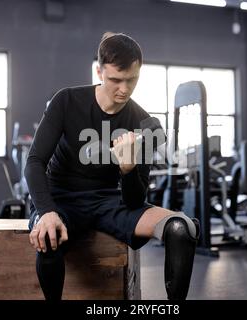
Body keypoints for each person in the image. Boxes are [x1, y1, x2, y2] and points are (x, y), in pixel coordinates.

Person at [25, 32, 199, 301]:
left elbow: (134, 200)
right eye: (115, 80)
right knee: (48, 238)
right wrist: (46, 211)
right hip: (61, 198)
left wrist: (128, 169)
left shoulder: (145, 125)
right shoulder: (67, 101)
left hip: (108, 201)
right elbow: (35, 161)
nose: (124, 89)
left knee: (180, 229)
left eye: (132, 80)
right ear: (99, 71)